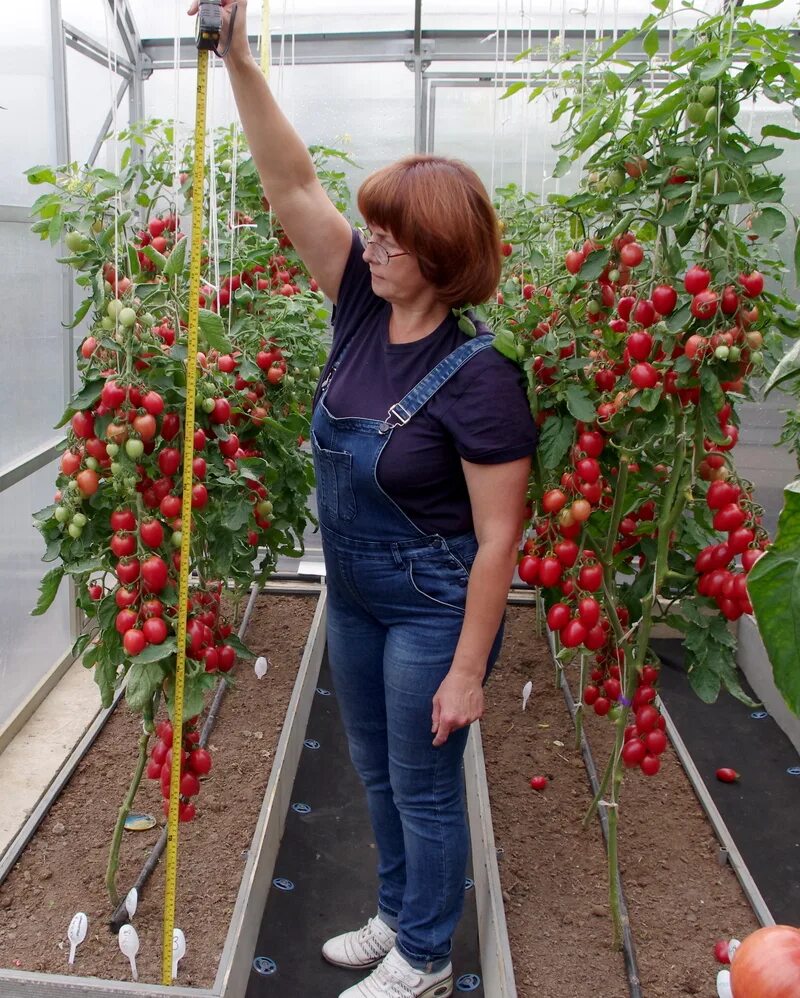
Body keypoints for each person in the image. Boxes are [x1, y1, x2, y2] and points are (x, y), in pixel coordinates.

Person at [189, 3, 538, 995]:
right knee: (377, 768)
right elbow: (288, 181)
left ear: (439, 254)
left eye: (389, 235)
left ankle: (426, 956)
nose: (369, 244)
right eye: (370, 229)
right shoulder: (355, 303)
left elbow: (498, 537)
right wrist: (242, 61)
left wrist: (468, 669)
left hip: (432, 602)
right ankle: (397, 911)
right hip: (353, 590)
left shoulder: (479, 376)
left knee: (427, 786)